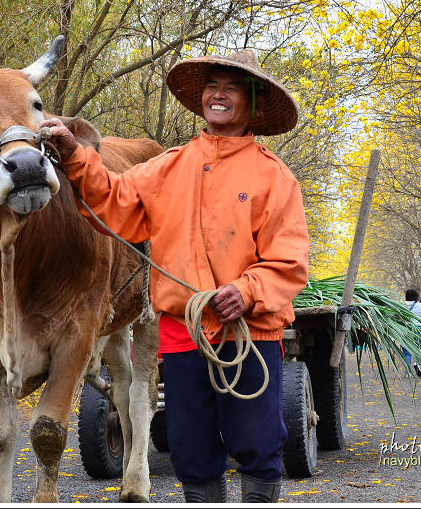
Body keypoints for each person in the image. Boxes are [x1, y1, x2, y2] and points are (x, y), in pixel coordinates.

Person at [39, 49, 310, 503]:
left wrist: (246, 292)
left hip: (250, 335)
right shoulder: (169, 166)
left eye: (231, 87)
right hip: (183, 335)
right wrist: (73, 153)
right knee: (190, 448)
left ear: (254, 104)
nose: (218, 94)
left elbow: (289, 260)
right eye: (212, 86)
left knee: (258, 445)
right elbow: (114, 199)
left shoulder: (274, 177)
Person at [402, 289, 421, 377]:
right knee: (418, 349)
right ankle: (416, 363)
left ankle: (408, 373)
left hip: (405, 330)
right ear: (416, 296)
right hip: (419, 329)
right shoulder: (420, 306)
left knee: (406, 351)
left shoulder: (401, 305)